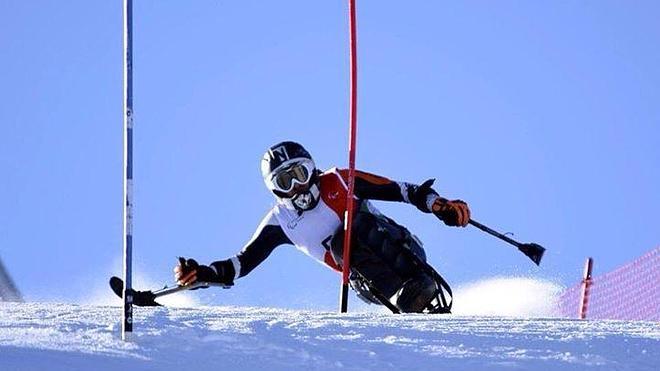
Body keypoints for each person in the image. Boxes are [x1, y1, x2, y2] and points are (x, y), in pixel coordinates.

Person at [174, 141, 470, 313]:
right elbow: (241, 263)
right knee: (341, 245)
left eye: (301, 173)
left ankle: (417, 283)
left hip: (403, 252)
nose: (298, 186)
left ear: (312, 168)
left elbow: (402, 190)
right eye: (285, 182)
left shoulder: (339, 180)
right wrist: (205, 273)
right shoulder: (280, 221)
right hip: (372, 284)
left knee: (354, 226)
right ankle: (403, 296)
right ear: (275, 190)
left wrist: (437, 205)